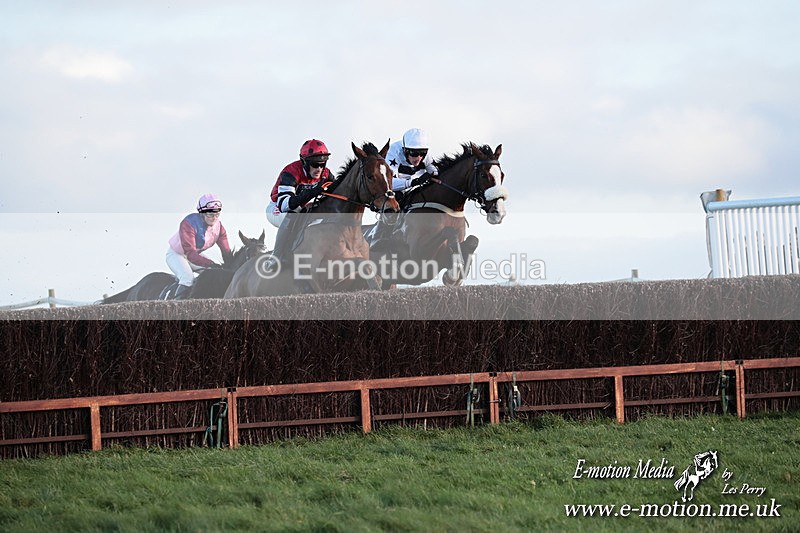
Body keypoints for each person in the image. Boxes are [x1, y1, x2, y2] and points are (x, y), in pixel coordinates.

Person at [265, 139, 333, 263]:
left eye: (322, 164)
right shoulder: (291, 172)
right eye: (315, 164)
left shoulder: (326, 174)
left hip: (303, 208)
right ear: (304, 162)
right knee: (292, 216)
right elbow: (286, 205)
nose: (319, 169)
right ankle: (276, 257)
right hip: (277, 208)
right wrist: (312, 192)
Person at [166, 194, 231, 299]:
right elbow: (191, 254)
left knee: (214, 274)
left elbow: (226, 252)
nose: (214, 218)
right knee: (187, 278)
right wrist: (211, 264)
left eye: (217, 214)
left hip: (196, 256)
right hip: (177, 255)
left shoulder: (219, 228)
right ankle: (176, 307)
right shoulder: (188, 223)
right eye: (210, 214)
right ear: (202, 213)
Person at [385, 128, 438, 194]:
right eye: (414, 153)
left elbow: (436, 173)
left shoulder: (426, 155)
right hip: (397, 191)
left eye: (423, 152)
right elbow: (389, 183)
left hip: (416, 190)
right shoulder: (394, 151)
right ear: (405, 150)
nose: (419, 158)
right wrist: (414, 182)